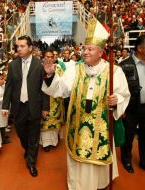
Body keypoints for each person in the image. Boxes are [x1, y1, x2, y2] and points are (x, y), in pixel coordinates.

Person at [42, 18, 130, 189]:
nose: (85, 52)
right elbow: (62, 90)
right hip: (78, 124)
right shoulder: (75, 68)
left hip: (101, 125)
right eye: (84, 48)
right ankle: (78, 185)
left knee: (98, 155)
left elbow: (123, 94)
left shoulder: (113, 70)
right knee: (78, 156)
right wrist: (51, 76)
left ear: (101, 51)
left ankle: (100, 183)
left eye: (90, 49)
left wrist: (116, 99)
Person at [2, 35, 50, 177]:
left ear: (30, 48)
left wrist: (45, 107)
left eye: (22, 46)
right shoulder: (13, 65)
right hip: (18, 107)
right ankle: (28, 150)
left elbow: (45, 87)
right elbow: (8, 87)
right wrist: (5, 106)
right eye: (18, 46)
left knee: (34, 137)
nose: (19, 49)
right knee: (22, 134)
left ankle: (31, 162)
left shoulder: (39, 65)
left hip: (34, 106)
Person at [119, 35, 145, 173]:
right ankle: (126, 159)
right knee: (128, 136)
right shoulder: (124, 65)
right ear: (140, 48)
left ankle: (143, 161)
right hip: (130, 108)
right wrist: (121, 108)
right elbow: (119, 89)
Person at [40, 50, 65, 152]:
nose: (49, 58)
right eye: (47, 56)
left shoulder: (58, 69)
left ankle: (54, 141)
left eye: (51, 56)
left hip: (57, 101)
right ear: (43, 57)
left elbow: (63, 84)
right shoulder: (40, 69)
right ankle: (46, 143)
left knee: (55, 124)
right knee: (45, 123)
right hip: (44, 100)